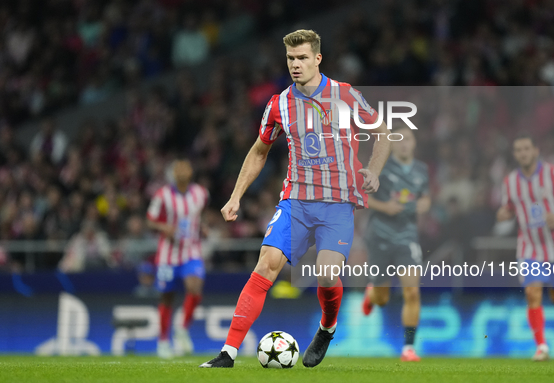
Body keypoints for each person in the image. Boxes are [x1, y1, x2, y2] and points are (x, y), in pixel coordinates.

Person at [200, 29, 390, 368]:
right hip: (296, 202)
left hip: (337, 202)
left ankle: (327, 327)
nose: (295, 64)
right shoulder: (279, 104)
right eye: (290, 58)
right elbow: (259, 151)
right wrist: (235, 197)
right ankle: (227, 353)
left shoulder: (345, 95)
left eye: (302, 57)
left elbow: (383, 135)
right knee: (266, 265)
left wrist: (374, 170)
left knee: (327, 274)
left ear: (318, 58)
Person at [497, 134, 554, 361]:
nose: (523, 153)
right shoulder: (510, 182)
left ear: (536, 151)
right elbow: (506, 208)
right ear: (515, 154)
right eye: (518, 150)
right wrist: (503, 213)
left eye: (526, 148)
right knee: (532, 292)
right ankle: (541, 347)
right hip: (529, 247)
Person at [361, 125, 430, 362]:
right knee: (383, 298)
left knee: (412, 291)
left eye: (407, 138)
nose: (403, 143)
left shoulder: (422, 170)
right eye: (398, 139)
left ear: (414, 143)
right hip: (380, 235)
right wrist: (385, 207)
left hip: (407, 237)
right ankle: (372, 295)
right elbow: (363, 197)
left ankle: (408, 348)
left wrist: (425, 204)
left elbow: (425, 196)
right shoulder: (381, 167)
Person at [147, 159, 209, 359]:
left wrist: (202, 228)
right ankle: (163, 340)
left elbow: (199, 216)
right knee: (167, 296)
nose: (182, 171)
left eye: (186, 167)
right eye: (178, 168)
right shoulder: (162, 195)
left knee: (196, 287)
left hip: (191, 251)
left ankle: (181, 327)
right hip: (167, 255)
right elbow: (150, 220)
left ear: (191, 172)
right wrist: (165, 227)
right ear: (173, 173)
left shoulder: (201, 193)